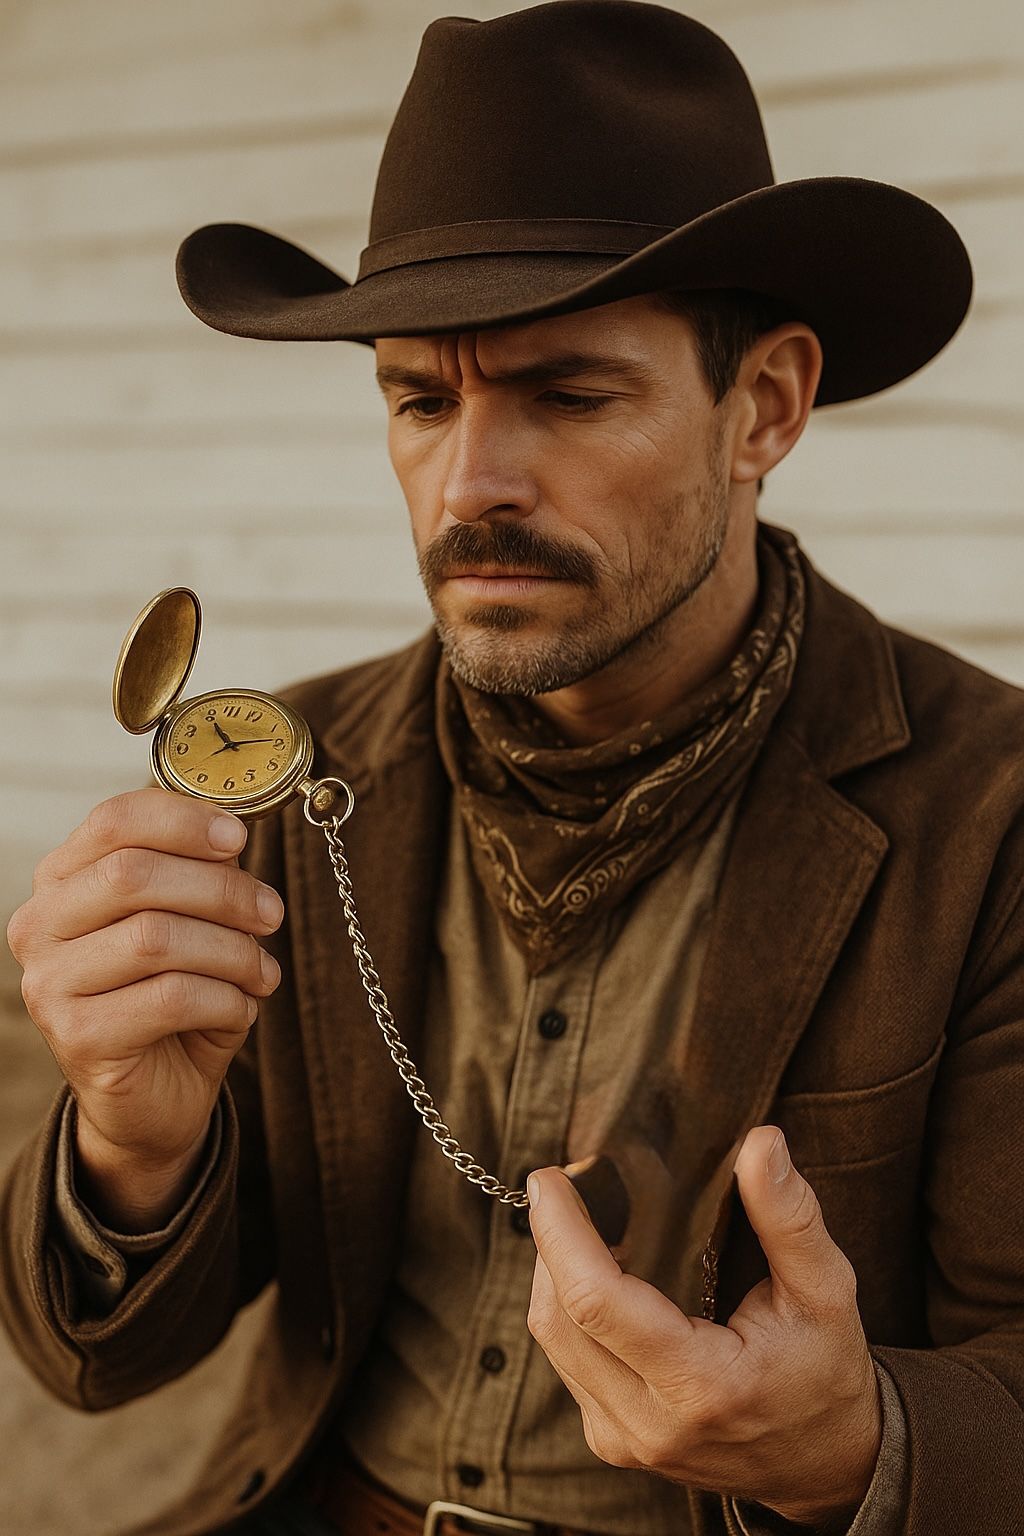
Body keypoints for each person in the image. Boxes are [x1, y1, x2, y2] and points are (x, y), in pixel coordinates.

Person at [2, 3, 1022, 1534]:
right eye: (420, 399)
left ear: (766, 408)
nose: (469, 483)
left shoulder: (989, 814)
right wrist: (129, 1147)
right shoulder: (293, 775)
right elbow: (97, 1365)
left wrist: (857, 1444)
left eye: (567, 395)